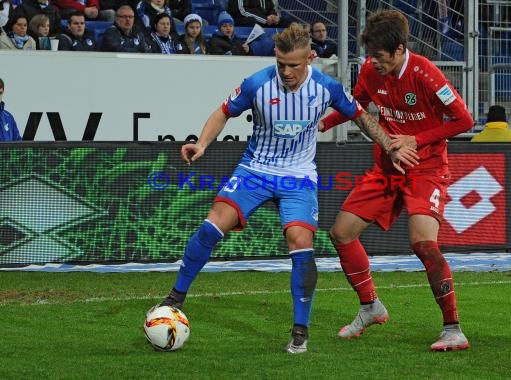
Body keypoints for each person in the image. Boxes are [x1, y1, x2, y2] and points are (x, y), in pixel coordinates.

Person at [154, 22, 417, 355]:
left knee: (300, 241)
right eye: (281, 64)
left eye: (293, 65)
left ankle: (300, 329)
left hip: (298, 177)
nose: (287, 71)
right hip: (255, 170)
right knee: (213, 224)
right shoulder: (258, 84)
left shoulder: (326, 87)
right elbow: (223, 112)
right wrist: (202, 143)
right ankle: (175, 296)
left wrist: (390, 146)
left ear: (309, 58)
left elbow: (362, 117)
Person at [319, 9, 473, 351]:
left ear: (400, 49)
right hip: (388, 166)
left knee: (423, 242)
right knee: (341, 233)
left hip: (427, 168)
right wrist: (321, 125)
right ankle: (370, 306)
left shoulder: (427, 73)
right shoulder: (372, 73)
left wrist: (416, 140)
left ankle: (453, 329)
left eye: (380, 56)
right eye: (370, 56)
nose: (374, 63)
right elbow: (353, 105)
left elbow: (464, 120)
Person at [227, 0, 291, 28]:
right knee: (251, 21)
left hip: (263, 21)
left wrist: (273, 16)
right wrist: (265, 20)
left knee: (287, 22)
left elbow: (271, 8)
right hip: (240, 19)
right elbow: (242, 11)